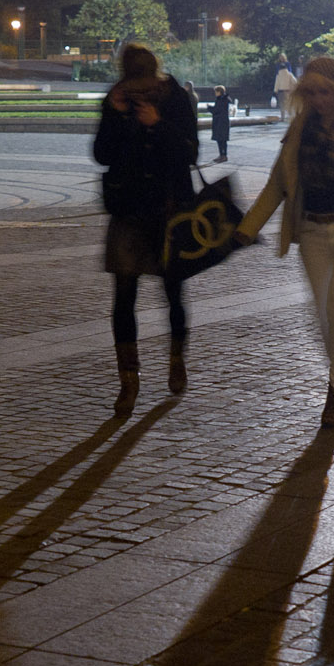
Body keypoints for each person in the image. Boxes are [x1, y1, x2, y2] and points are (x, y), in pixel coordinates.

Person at [232, 57, 334, 429]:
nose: (319, 100)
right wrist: (248, 227)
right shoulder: (301, 128)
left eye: (326, 92)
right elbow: (278, 183)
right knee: (322, 315)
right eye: (313, 93)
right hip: (311, 232)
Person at [92, 44, 199, 415]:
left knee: (173, 290)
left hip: (169, 211)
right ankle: (128, 379)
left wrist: (159, 124)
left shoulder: (176, 99)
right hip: (128, 210)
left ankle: (176, 356)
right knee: (123, 295)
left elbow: (190, 153)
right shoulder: (115, 100)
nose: (137, 89)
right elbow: (102, 155)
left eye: (142, 81)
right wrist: (118, 116)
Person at [273, 53, 299, 120]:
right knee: (289, 103)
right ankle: (291, 116)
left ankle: (282, 117)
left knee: (282, 104)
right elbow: (295, 81)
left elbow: (277, 83)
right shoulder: (289, 74)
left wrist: (275, 91)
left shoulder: (278, 75)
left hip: (281, 91)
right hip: (288, 90)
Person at [211, 85, 232, 162]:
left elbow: (217, 110)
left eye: (216, 92)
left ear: (219, 92)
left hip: (221, 122)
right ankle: (222, 155)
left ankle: (223, 155)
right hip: (222, 122)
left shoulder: (221, 100)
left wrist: (209, 108)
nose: (215, 93)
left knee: (222, 140)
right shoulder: (223, 99)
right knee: (221, 140)